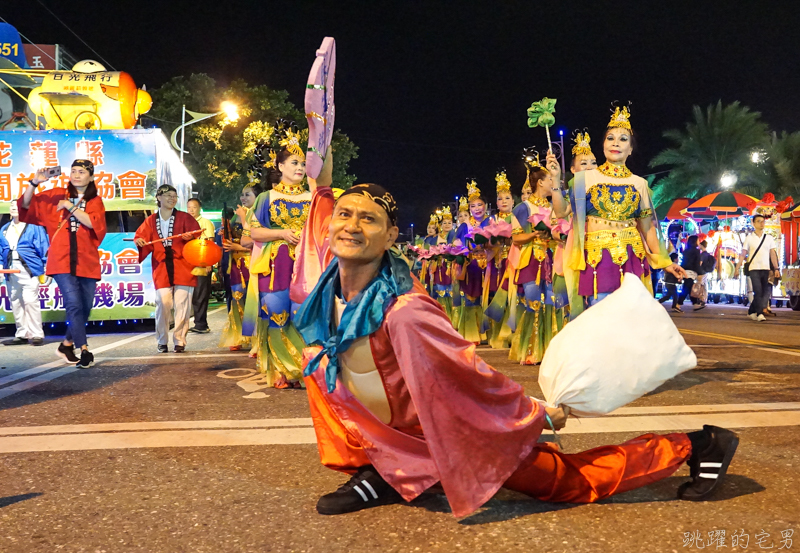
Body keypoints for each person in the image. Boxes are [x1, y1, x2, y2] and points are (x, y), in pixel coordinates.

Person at [291, 166, 739, 517]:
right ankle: (388, 470)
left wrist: (534, 413)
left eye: (368, 219)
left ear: (391, 236)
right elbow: (318, 193)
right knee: (322, 365)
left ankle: (696, 445)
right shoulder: (322, 291)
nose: (351, 226)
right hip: (400, 434)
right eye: (344, 215)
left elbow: (469, 377)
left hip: (453, 431)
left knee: (567, 482)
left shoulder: (404, 311)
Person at [551, 106, 685, 316]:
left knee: (630, 316)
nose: (615, 143)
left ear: (630, 149)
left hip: (631, 255)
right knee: (601, 313)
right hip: (598, 257)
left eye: (623, 139)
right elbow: (561, 212)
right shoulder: (584, 179)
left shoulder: (639, 184)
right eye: (610, 138)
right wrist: (554, 181)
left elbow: (647, 228)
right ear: (603, 145)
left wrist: (665, 262)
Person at [19, 160, 107, 368]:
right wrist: (34, 183)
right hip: (61, 260)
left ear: (91, 177)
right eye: (73, 171)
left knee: (85, 307)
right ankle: (84, 349)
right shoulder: (56, 194)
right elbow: (25, 206)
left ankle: (66, 344)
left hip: (87, 260)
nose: (76, 175)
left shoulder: (95, 200)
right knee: (74, 304)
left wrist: (69, 206)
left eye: (81, 172)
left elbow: (93, 223)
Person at [240, 128, 309, 388]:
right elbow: (254, 232)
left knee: (302, 317)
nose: (300, 168)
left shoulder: (312, 198)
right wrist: (281, 233)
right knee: (277, 315)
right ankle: (281, 370)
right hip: (274, 265)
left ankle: (302, 369)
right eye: (294, 163)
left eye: (303, 163)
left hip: (305, 266)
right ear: (280, 166)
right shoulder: (266, 198)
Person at [508, 156, 569, 364]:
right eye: (550, 179)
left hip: (552, 257)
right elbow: (516, 238)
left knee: (552, 301)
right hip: (531, 259)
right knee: (533, 301)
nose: (554, 182)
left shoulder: (555, 207)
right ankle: (530, 350)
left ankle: (552, 352)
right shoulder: (522, 208)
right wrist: (534, 234)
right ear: (541, 182)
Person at [135, 185, 201, 353]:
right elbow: (141, 236)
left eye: (174, 196)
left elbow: (198, 236)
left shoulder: (185, 218)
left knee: (182, 305)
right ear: (159, 197)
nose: (172, 198)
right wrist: (139, 241)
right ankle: (162, 340)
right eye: (168, 195)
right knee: (163, 304)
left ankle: (180, 340)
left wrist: (191, 237)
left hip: (183, 265)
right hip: (161, 266)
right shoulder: (151, 220)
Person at [0, 201, 49, 345]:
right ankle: (22, 333)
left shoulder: (34, 227)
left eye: (17, 206)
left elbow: (44, 247)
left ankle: (36, 334)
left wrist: (46, 267)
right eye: (12, 206)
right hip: (10, 268)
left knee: (30, 300)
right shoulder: (5, 229)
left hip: (30, 268)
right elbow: (1, 250)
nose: (14, 208)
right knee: (15, 300)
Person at [219, 183, 259, 352]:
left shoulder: (259, 214)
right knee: (237, 298)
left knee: (253, 301)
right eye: (242, 194)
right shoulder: (238, 214)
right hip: (236, 264)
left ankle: (257, 340)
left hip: (253, 262)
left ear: (258, 197)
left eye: (248, 194)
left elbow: (258, 241)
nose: (243, 198)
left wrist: (244, 218)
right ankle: (237, 336)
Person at [453, 180, 491, 342]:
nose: (477, 209)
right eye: (473, 206)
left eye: (479, 205)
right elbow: (457, 246)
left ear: (486, 206)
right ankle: (472, 334)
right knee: (471, 299)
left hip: (490, 264)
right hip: (471, 266)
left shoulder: (491, 222)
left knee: (489, 298)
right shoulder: (464, 227)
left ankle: (489, 334)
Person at [736, 214, 779, 322]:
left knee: (763, 291)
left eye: (763, 221)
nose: (761, 223)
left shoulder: (769, 238)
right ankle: (760, 313)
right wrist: (737, 267)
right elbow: (743, 253)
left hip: (765, 268)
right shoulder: (749, 238)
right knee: (758, 291)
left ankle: (751, 311)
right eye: (759, 221)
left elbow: (772, 254)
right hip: (753, 268)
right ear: (753, 223)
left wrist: (776, 268)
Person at [186, 198, 216, 334]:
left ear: (199, 208)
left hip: (201, 263)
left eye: (194, 207)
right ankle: (197, 322)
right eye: (189, 207)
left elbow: (210, 243)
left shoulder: (205, 222)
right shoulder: (186, 222)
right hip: (189, 263)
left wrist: (208, 262)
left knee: (200, 294)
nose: (191, 210)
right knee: (192, 294)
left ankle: (201, 324)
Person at [675, 235, 701, 313]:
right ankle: (678, 304)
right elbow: (697, 263)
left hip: (685, 270)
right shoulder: (696, 251)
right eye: (698, 240)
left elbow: (684, 261)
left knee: (689, 288)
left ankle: (695, 303)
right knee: (686, 288)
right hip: (692, 271)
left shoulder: (686, 251)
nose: (699, 242)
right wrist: (699, 272)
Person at [694, 240, 715, 310]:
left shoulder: (702, 254)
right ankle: (705, 299)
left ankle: (701, 299)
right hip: (706, 272)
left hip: (701, 272)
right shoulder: (707, 254)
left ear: (702, 245)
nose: (698, 246)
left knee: (700, 285)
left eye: (700, 245)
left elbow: (700, 263)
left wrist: (696, 269)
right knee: (705, 286)